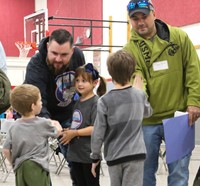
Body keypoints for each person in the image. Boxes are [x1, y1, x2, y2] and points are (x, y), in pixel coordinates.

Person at [124, 0, 200, 186]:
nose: (141, 22)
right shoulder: (130, 50)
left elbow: (193, 69)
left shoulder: (178, 37)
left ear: (154, 14)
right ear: (130, 21)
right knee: (144, 174)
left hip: (179, 117)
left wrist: (194, 101)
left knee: (179, 174)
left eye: (144, 16)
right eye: (135, 19)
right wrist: (140, 101)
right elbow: (137, 78)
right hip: (147, 122)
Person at [24, 28, 85, 185]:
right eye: (54, 53)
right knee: (37, 165)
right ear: (47, 48)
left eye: (64, 55)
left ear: (72, 51)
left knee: (79, 161)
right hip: (38, 116)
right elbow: (36, 100)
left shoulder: (78, 56)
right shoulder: (36, 65)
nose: (58, 59)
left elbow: (82, 84)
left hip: (67, 114)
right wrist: (47, 120)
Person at [90, 50, 153, 186]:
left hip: (114, 156)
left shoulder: (104, 100)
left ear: (110, 72)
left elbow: (98, 132)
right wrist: (140, 92)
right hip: (136, 155)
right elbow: (148, 112)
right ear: (132, 71)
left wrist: (95, 157)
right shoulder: (139, 95)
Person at [3, 84, 62, 186]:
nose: (41, 103)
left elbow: (6, 150)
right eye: (39, 100)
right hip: (38, 167)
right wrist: (57, 125)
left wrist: (14, 164)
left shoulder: (14, 126)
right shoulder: (43, 123)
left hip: (20, 167)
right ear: (33, 106)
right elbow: (57, 133)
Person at [60, 63, 106, 186]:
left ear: (95, 83)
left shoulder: (96, 103)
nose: (80, 84)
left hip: (88, 155)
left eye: (84, 81)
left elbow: (95, 128)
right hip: (75, 154)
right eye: (77, 80)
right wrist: (69, 130)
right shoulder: (76, 102)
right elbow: (79, 124)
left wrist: (74, 133)